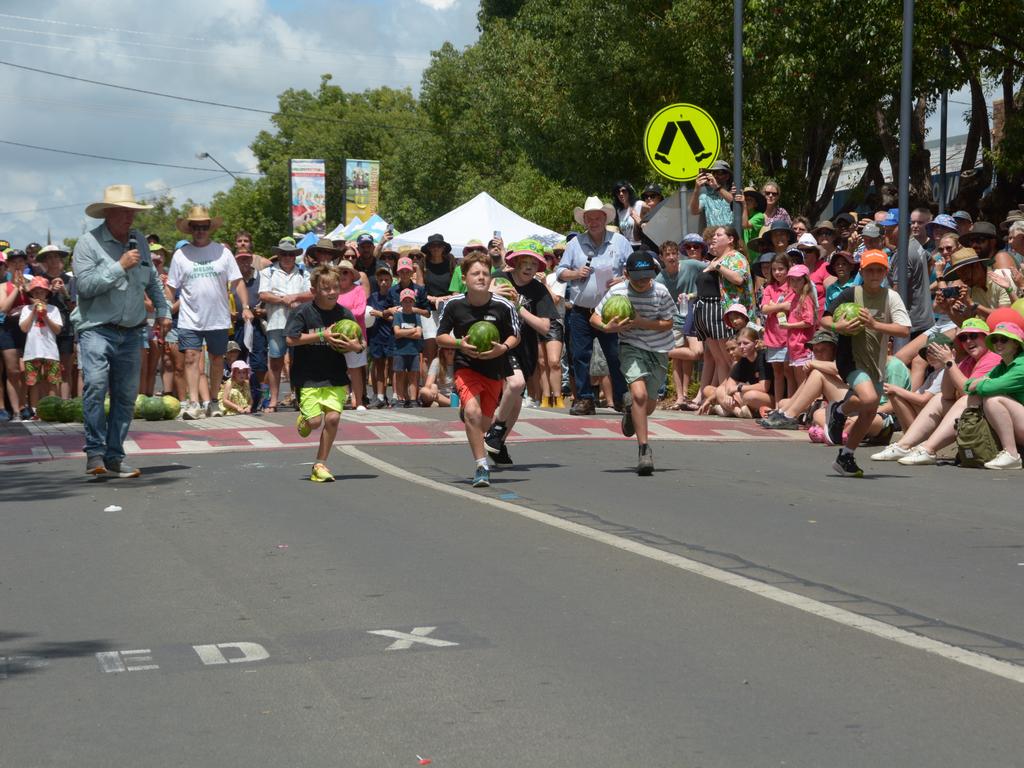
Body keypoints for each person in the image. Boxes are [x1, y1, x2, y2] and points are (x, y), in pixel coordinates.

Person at [71, 184, 171, 477]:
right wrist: (119, 266)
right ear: (109, 214)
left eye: (132, 213)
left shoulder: (138, 240)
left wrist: (163, 311)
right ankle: (94, 453)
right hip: (96, 329)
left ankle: (114, 455)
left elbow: (151, 279)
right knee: (95, 386)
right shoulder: (87, 244)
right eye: (124, 213)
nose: (130, 218)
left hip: (132, 331)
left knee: (126, 396)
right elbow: (86, 287)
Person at [436, 252, 520, 488]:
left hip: (494, 368)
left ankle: (472, 417)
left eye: (485, 273)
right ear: (464, 278)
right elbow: (440, 336)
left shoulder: (503, 306)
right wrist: (459, 344)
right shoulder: (453, 305)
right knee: (473, 413)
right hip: (467, 367)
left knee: (483, 423)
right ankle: (481, 466)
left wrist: (502, 348)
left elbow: (515, 335)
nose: (481, 277)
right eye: (475, 273)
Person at [824, 250, 911, 476]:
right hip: (850, 358)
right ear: (861, 272)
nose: (874, 274)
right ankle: (839, 410)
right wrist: (838, 327)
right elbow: (823, 318)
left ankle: (846, 457)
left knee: (869, 412)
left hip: (876, 362)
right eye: (870, 270)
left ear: (885, 272)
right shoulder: (852, 293)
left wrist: (875, 324)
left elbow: (903, 329)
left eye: (879, 270)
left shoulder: (891, 297)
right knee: (870, 398)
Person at [592, 250, 675, 475]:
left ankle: (631, 412)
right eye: (637, 277)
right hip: (630, 346)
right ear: (627, 274)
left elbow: (668, 323)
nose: (642, 282)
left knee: (647, 406)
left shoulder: (660, 291)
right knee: (638, 395)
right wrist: (606, 328)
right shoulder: (617, 291)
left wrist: (641, 322)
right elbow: (595, 317)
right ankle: (644, 450)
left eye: (647, 277)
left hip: (658, 349)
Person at [872, 319, 1000, 463]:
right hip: (973, 417)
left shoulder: (992, 358)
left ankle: (928, 449)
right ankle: (903, 446)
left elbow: (967, 393)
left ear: (986, 338)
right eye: (964, 338)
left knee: (965, 399)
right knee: (939, 398)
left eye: (974, 336)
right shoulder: (967, 361)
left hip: (993, 420)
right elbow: (947, 394)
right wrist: (948, 364)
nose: (968, 341)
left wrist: (950, 363)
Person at [168, 206, 253, 420]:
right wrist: (165, 312)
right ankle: (193, 403)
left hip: (217, 317)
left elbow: (237, 281)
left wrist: (245, 306)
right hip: (190, 317)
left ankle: (213, 401)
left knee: (217, 359)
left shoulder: (222, 252)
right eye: (196, 227)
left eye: (204, 227)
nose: (200, 230)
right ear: (190, 229)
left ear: (209, 228)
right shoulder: (181, 255)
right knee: (190, 357)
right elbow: (170, 287)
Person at [286, 264, 364, 483]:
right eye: (326, 288)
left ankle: (320, 464)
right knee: (314, 423)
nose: (332, 292)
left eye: (335, 288)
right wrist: (323, 335)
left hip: (335, 376)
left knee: (333, 418)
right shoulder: (302, 312)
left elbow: (360, 343)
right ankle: (305, 420)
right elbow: (291, 339)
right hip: (307, 377)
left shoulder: (344, 314)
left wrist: (356, 346)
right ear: (314, 290)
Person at [556, 196, 631, 415]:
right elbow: (560, 273)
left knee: (615, 355)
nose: (594, 221)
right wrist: (575, 273)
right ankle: (585, 398)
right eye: (589, 218)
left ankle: (620, 397)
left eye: (598, 217)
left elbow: (633, 269)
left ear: (605, 218)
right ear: (585, 220)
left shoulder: (620, 242)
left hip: (610, 310)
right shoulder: (574, 243)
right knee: (580, 355)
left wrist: (623, 279)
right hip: (581, 310)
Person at [484, 242, 556, 464]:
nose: (528, 267)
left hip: (525, 348)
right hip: (500, 341)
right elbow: (474, 299)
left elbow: (545, 327)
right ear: (514, 263)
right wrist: (490, 291)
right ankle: (494, 430)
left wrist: (519, 307)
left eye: (533, 264)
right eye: (524, 262)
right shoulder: (498, 278)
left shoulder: (538, 290)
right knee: (515, 384)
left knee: (515, 401)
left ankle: (498, 443)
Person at [259, 238, 311, 412]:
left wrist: (294, 298)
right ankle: (273, 400)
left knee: (299, 362)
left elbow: (311, 293)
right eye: (284, 254)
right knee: (275, 362)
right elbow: (263, 295)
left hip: (299, 323)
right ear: (279, 255)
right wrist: (285, 299)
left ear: (295, 256)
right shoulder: (268, 272)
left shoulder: (303, 273)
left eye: (291, 254)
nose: (288, 257)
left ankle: (299, 398)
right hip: (276, 322)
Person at [658, 237, 705, 408]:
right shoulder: (660, 278)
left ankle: (662, 351)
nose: (671, 257)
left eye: (674, 253)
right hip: (675, 320)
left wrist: (698, 292)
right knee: (679, 359)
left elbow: (710, 268)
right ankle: (681, 396)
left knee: (695, 353)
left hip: (694, 316)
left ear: (678, 255)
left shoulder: (691, 265)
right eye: (667, 254)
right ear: (661, 258)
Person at [36, 245, 76, 399]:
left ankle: (65, 403)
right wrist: (50, 291)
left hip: (66, 327)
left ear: (60, 259)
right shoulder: (40, 280)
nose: (53, 260)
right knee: (48, 368)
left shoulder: (70, 280)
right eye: (49, 257)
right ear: (45, 261)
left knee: (65, 368)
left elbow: (74, 307)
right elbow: (35, 302)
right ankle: (50, 402)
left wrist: (64, 292)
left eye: (56, 256)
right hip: (45, 328)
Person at [18, 276, 63, 405]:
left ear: (46, 293)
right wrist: (33, 312)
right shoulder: (26, 309)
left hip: (50, 351)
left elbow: (57, 330)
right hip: (32, 351)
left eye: (42, 292)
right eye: (36, 292)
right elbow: (24, 328)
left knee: (52, 381)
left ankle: (52, 408)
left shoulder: (54, 309)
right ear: (31, 294)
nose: (39, 294)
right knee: (33, 383)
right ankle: (34, 410)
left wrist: (45, 316)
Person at [0, 249, 31, 419]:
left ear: (25, 264)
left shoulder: (32, 283)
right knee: (12, 371)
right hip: (8, 330)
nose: (18, 265)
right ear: (8, 265)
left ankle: (23, 404)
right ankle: (15, 410)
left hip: (27, 330)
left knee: (25, 370)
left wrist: (26, 288)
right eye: (14, 262)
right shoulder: (4, 286)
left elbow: (39, 303)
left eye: (21, 262)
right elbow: (3, 309)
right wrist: (16, 288)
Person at [335, 259, 369, 410]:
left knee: (355, 369)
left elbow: (360, 311)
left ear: (351, 275)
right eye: (339, 272)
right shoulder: (333, 290)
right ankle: (340, 399)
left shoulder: (358, 290)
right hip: (335, 336)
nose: (342, 275)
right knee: (337, 368)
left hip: (355, 335)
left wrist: (338, 315)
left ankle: (359, 401)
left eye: (345, 272)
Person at [760, 252, 794, 402]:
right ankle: (778, 406)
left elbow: (791, 306)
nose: (777, 273)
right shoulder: (769, 288)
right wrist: (779, 306)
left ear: (788, 269)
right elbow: (764, 308)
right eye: (774, 270)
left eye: (781, 269)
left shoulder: (793, 287)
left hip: (788, 335)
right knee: (777, 372)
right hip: (773, 335)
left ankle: (790, 405)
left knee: (789, 371)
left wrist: (773, 306)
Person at [421, 233, 456, 370]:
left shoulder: (451, 263)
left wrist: (443, 299)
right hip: (429, 311)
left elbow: (455, 289)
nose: (436, 248)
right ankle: (427, 387)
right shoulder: (422, 265)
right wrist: (434, 299)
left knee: (448, 349)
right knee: (429, 351)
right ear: (429, 248)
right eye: (432, 246)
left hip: (448, 308)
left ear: (443, 248)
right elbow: (420, 290)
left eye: (438, 245)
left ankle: (447, 386)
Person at [366, 264, 397, 408]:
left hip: (391, 336)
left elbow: (397, 318)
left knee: (392, 366)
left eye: (386, 279)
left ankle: (395, 396)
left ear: (391, 280)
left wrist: (381, 314)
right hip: (376, 336)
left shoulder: (395, 296)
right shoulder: (372, 297)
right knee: (378, 366)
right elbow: (368, 315)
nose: (384, 282)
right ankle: (379, 396)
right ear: (377, 281)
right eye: (381, 280)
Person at [782, 264, 817, 387]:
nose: (795, 283)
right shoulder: (796, 297)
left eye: (798, 280)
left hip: (803, 345)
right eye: (792, 280)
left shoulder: (805, 298)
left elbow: (808, 322)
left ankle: (810, 405)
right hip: (795, 346)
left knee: (804, 383)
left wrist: (789, 326)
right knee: (800, 381)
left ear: (805, 281)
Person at [392, 288, 424, 407]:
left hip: (413, 351)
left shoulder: (417, 317)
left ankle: (413, 399)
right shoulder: (398, 316)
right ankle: (400, 399)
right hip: (400, 351)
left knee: (413, 376)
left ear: (413, 302)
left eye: (410, 301)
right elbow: (397, 333)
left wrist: (404, 331)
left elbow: (418, 335)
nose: (407, 303)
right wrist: (412, 330)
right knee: (400, 375)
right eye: (405, 301)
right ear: (401, 302)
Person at [688, 160, 734, 227]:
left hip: (731, 235)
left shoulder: (733, 192)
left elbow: (733, 202)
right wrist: (697, 189)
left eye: (719, 173)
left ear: (727, 176)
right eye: (713, 173)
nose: (715, 176)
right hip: (714, 236)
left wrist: (717, 187)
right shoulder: (706, 196)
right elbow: (694, 211)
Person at [611, 181, 643, 248]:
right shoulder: (619, 211)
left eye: (624, 191)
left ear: (629, 192)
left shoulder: (639, 204)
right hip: (626, 246)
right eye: (618, 192)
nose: (621, 194)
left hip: (640, 245)